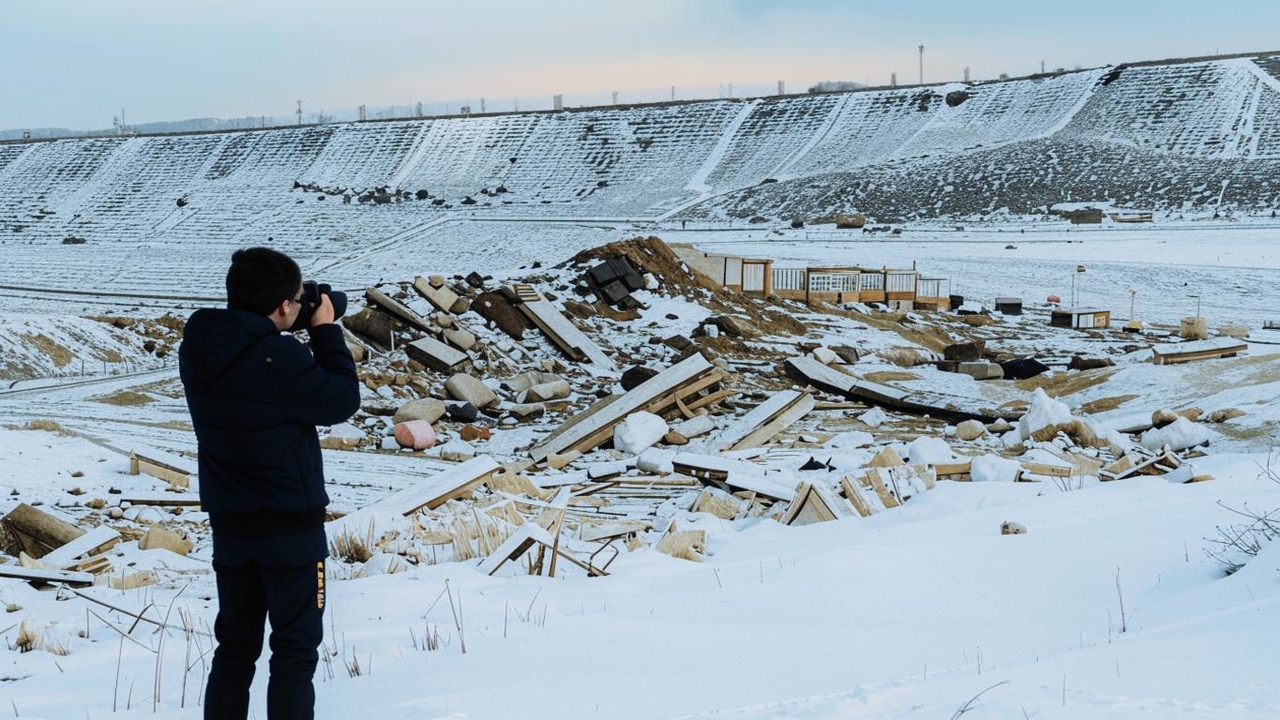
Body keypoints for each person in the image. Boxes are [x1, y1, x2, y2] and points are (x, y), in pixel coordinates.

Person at [179, 247, 360, 720]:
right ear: (282, 306)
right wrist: (324, 330)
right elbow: (340, 400)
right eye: (297, 300)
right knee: (294, 656)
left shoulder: (200, 346)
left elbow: (248, 338)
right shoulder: (277, 357)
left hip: (231, 527)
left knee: (235, 652)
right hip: (291, 533)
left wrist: (292, 318)